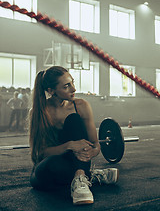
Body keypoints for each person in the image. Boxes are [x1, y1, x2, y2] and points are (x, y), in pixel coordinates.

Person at [29, 66, 119, 205]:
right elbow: (40, 153)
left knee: (74, 120)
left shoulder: (81, 106)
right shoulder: (40, 112)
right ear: (51, 91)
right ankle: (90, 175)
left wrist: (91, 151)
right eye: (66, 86)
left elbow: (95, 146)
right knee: (47, 170)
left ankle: (80, 178)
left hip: (76, 160)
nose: (74, 89)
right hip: (52, 165)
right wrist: (69, 145)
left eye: (72, 83)